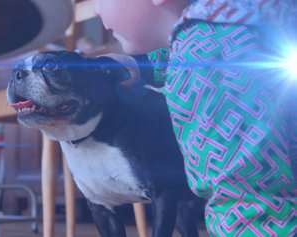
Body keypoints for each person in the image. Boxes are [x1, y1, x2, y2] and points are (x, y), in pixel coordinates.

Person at [94, 0, 297, 236]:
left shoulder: (208, 51)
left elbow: (245, 195)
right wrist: (144, 67)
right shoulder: (237, 20)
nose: (96, 9)